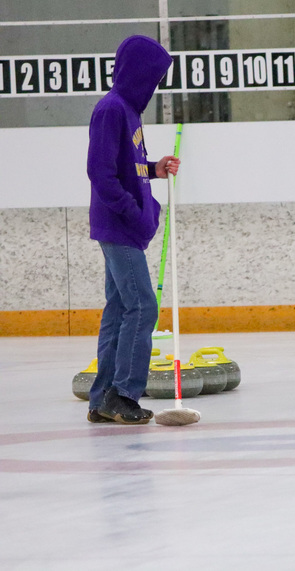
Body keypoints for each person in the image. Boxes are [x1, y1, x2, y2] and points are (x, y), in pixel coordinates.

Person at [86, 35, 178, 424]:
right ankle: (123, 394)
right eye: (153, 78)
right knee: (143, 306)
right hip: (118, 227)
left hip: (122, 227)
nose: (155, 86)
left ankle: (102, 398)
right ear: (137, 72)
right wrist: (133, 214)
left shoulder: (129, 112)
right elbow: (101, 174)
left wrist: (152, 168)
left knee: (121, 308)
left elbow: (127, 166)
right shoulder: (111, 110)